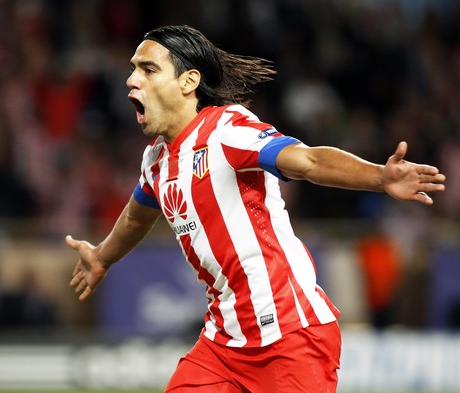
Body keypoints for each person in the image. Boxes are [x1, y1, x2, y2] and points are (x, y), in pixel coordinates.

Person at [65, 25, 446, 393]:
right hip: (224, 341)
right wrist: (103, 257)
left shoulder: (226, 130)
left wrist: (379, 176)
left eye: (148, 69)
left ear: (188, 82)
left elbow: (308, 161)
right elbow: (137, 214)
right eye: (133, 69)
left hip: (290, 338)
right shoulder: (156, 160)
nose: (132, 79)